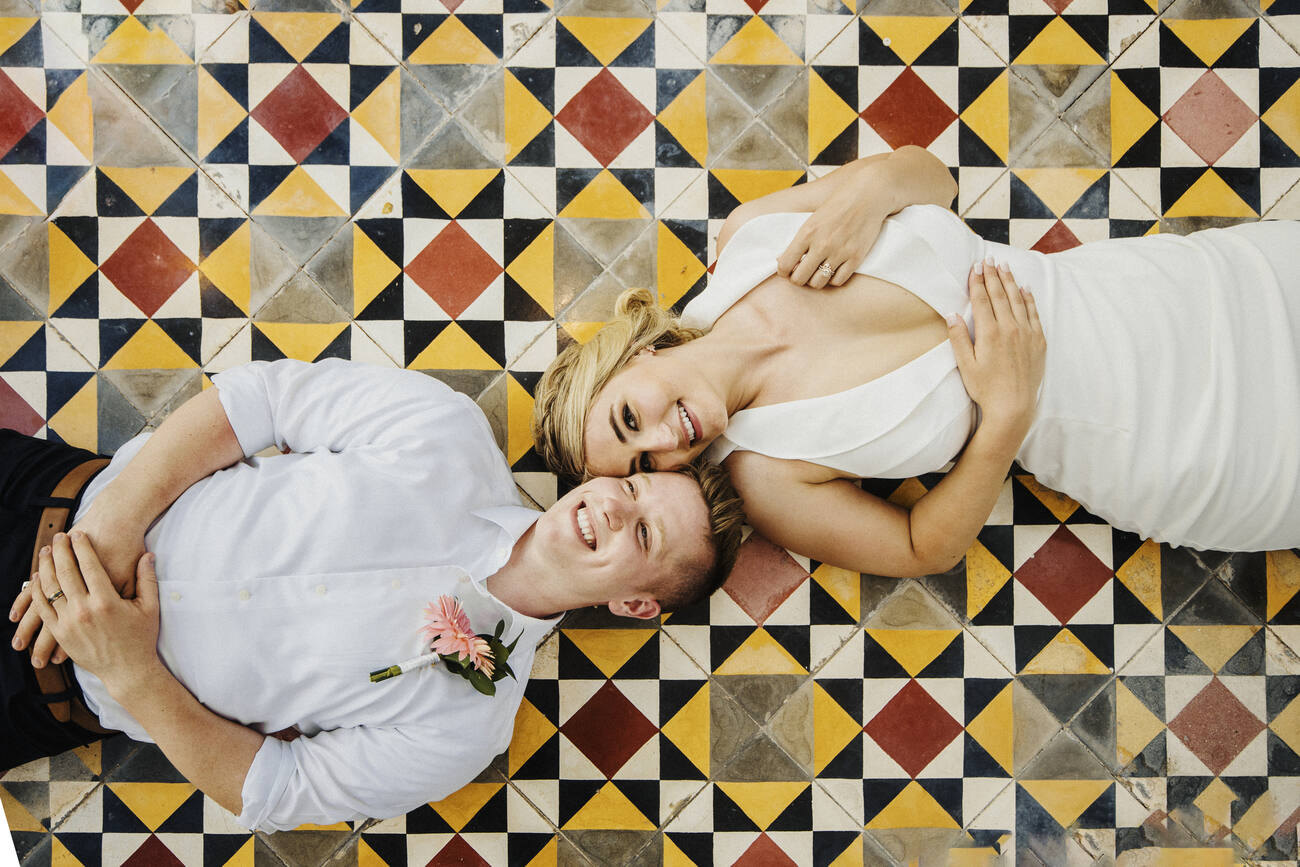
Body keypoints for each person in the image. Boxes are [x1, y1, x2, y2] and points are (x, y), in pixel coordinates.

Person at [2, 359, 744, 831]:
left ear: (636, 604)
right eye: (635, 484)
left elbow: (274, 791)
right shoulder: (445, 431)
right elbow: (258, 399)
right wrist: (107, 530)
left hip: (35, 681)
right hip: (42, 504)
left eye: (643, 536)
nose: (615, 507)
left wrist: (130, 669)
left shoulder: (465, 725)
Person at [532, 145, 1300, 576]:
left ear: (637, 352)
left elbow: (931, 178)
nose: (666, 441)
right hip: (1169, 440)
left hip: (1187, 292)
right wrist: (1004, 419)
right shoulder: (763, 475)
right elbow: (921, 546)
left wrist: (865, 196)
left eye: (629, 415)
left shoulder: (748, 243)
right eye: (646, 463)